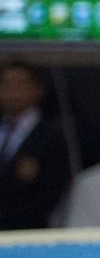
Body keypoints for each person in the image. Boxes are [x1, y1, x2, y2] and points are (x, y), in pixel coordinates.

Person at [0, 60, 72, 231]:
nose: (12, 92)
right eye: (6, 84)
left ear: (37, 90)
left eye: (21, 84)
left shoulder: (52, 136)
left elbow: (49, 195)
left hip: (28, 232)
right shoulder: (3, 129)